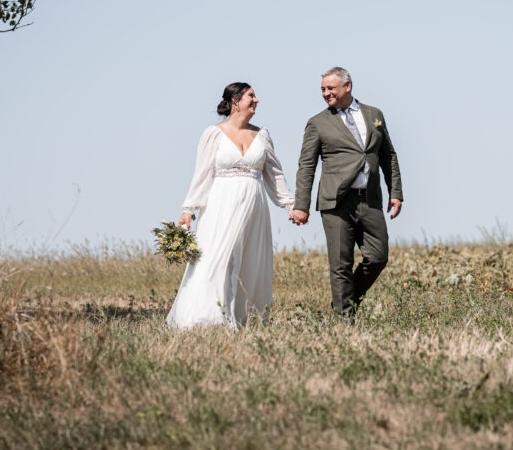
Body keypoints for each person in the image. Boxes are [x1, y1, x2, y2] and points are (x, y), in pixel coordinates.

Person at [166, 82, 295, 329]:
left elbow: (275, 174)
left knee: (249, 261)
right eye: (251, 96)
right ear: (235, 101)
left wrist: (290, 205)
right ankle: (206, 317)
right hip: (220, 204)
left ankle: (245, 317)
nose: (256, 100)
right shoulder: (213, 134)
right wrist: (189, 209)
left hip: (254, 205)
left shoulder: (262, 135)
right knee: (217, 257)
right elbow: (202, 173)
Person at [290, 67, 403, 317]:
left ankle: (346, 300)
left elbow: (388, 156)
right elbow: (306, 166)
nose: (325, 93)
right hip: (336, 202)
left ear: (347, 86)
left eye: (330, 88)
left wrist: (395, 191)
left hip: (370, 199)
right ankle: (344, 320)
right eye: (322, 89)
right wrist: (301, 205)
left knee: (378, 257)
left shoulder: (375, 115)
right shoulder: (317, 123)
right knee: (341, 263)